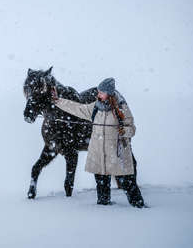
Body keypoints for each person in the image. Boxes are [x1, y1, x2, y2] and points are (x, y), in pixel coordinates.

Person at [51, 77, 145, 208]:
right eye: (98, 92)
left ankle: (140, 208)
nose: (98, 94)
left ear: (109, 93)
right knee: (101, 187)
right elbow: (77, 108)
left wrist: (124, 131)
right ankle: (103, 212)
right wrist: (58, 101)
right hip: (99, 155)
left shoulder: (121, 109)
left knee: (128, 184)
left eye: (101, 92)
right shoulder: (95, 107)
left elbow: (132, 129)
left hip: (116, 155)